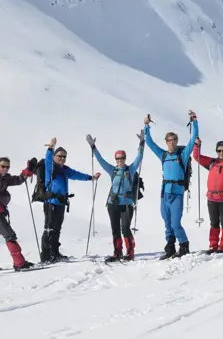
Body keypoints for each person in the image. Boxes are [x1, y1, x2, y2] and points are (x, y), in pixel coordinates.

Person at [144, 111, 199, 259]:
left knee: (175, 223)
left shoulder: (182, 155)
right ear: (166, 141)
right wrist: (146, 126)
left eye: (174, 139)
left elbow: (193, 138)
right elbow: (149, 143)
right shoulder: (163, 155)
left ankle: (184, 245)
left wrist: (194, 122)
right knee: (167, 223)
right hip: (165, 194)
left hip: (177, 194)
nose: (172, 142)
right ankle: (170, 247)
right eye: (169, 140)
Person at [40, 138, 101, 263]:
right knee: (49, 228)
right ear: (54, 156)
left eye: (64, 157)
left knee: (57, 229)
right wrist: (51, 147)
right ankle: (46, 255)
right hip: (51, 202)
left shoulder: (65, 170)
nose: (62, 159)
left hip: (61, 203)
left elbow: (78, 175)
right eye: (60, 156)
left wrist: (91, 178)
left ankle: (55, 253)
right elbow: (47, 158)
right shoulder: (50, 167)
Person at [87, 132, 144, 261]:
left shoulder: (130, 170)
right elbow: (101, 160)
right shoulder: (112, 170)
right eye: (117, 159)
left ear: (125, 158)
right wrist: (93, 147)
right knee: (115, 229)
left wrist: (141, 144)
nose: (119, 161)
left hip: (127, 204)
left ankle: (130, 252)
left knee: (125, 228)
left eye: (121, 158)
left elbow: (139, 157)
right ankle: (117, 252)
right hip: (113, 203)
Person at [0, 157, 36, 272]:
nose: (5, 169)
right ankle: (19, 263)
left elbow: (17, 180)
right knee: (9, 235)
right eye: (3, 166)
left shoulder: (3, 178)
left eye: (7, 167)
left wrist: (27, 171)